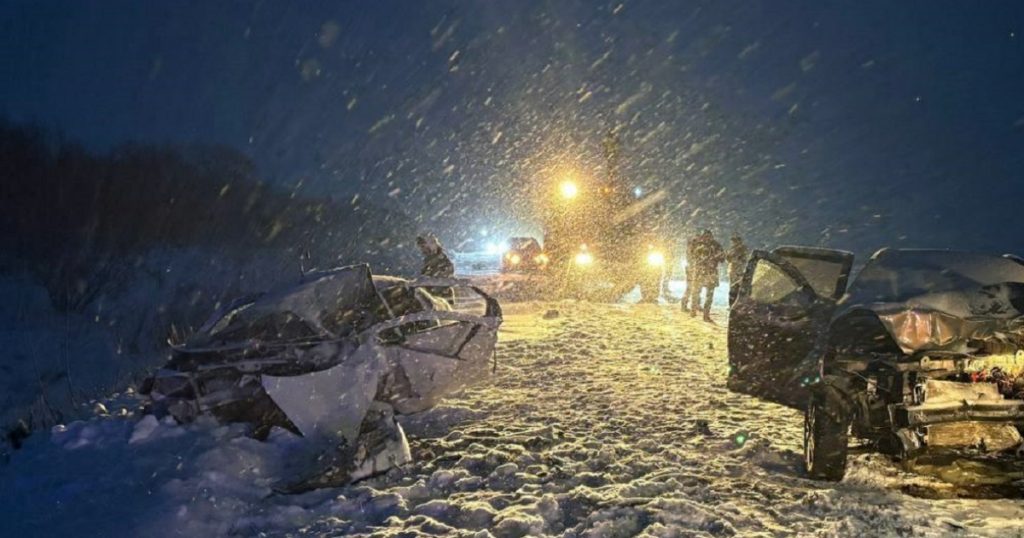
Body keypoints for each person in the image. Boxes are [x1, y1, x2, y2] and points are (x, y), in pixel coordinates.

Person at [689, 229, 724, 323]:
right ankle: (694, 310)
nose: (707, 238)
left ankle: (705, 314)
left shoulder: (716, 245)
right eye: (705, 236)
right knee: (696, 292)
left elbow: (722, 258)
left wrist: (715, 257)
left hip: (710, 272)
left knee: (708, 295)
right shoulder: (699, 244)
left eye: (708, 236)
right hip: (701, 272)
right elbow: (692, 254)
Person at [416, 234, 455, 303]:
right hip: (431, 298)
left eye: (423, 246)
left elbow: (447, 276)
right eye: (421, 247)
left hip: (442, 299)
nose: (422, 249)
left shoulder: (442, 260)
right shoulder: (428, 260)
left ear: (433, 244)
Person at [726, 235, 749, 305]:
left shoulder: (742, 249)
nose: (733, 243)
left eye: (734, 241)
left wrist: (736, 259)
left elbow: (744, 260)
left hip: (739, 270)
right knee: (732, 288)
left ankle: (737, 304)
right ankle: (732, 303)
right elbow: (728, 259)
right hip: (733, 270)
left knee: (738, 288)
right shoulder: (732, 249)